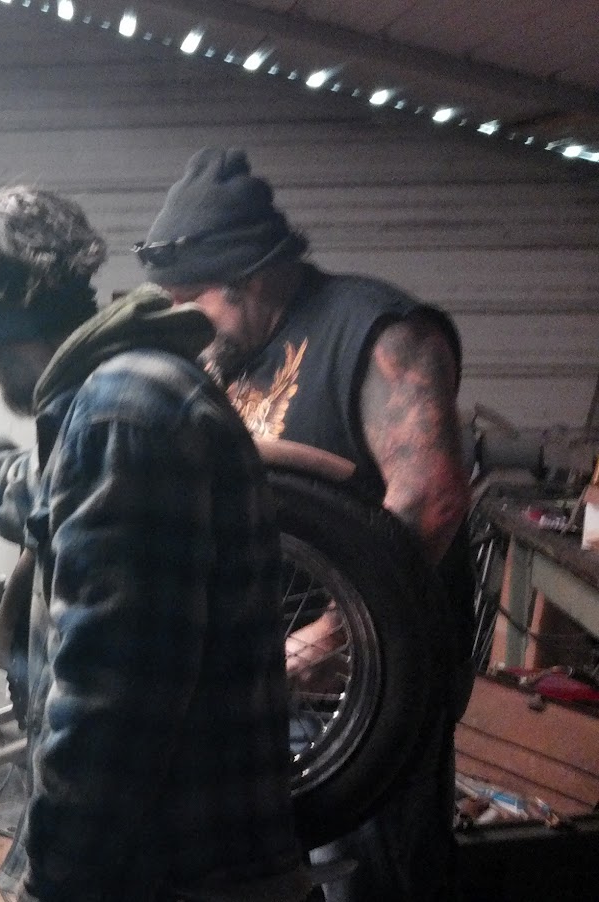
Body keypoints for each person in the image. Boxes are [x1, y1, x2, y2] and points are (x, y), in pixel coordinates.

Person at [0, 187, 308, 902]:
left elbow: (110, 707)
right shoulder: (130, 392)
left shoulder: (121, 416)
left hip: (175, 879)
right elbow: (35, 495)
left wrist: (52, 883)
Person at [136, 146, 473, 902]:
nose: (186, 321)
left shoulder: (378, 332)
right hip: (265, 684)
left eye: (195, 300)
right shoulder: (232, 349)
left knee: (370, 881)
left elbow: (433, 499)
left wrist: (332, 638)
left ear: (254, 277)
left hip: (373, 688)